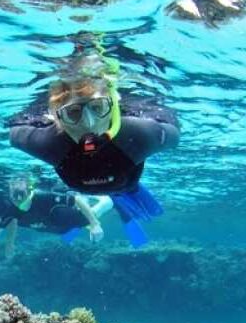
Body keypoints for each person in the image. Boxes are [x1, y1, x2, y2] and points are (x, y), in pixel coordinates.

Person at [9, 56, 180, 246]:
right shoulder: (49, 143)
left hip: (127, 185)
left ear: (113, 106)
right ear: (57, 119)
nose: (88, 124)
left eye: (98, 108)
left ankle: (111, 206)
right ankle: (107, 208)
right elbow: (14, 135)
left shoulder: (140, 135)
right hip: (115, 184)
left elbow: (173, 134)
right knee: (119, 192)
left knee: (124, 190)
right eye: (73, 113)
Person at [0, 178, 112, 258]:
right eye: (16, 200)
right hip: (46, 224)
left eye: (24, 198)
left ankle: (98, 204)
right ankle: (86, 220)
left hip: (59, 214)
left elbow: (74, 200)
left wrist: (95, 223)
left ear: (29, 193)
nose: (21, 204)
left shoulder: (43, 196)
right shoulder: (13, 208)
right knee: (61, 230)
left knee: (67, 218)